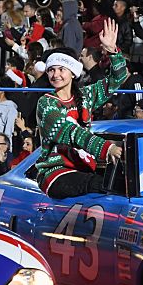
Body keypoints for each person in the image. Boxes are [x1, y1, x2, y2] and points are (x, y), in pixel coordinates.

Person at [35, 18, 127, 198]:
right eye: (51, 70)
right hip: (55, 174)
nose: (56, 74)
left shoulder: (85, 95)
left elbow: (117, 79)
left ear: (72, 72)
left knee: (123, 184)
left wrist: (112, 51)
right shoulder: (46, 103)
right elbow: (71, 133)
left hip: (83, 169)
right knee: (103, 186)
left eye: (61, 69)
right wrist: (107, 148)